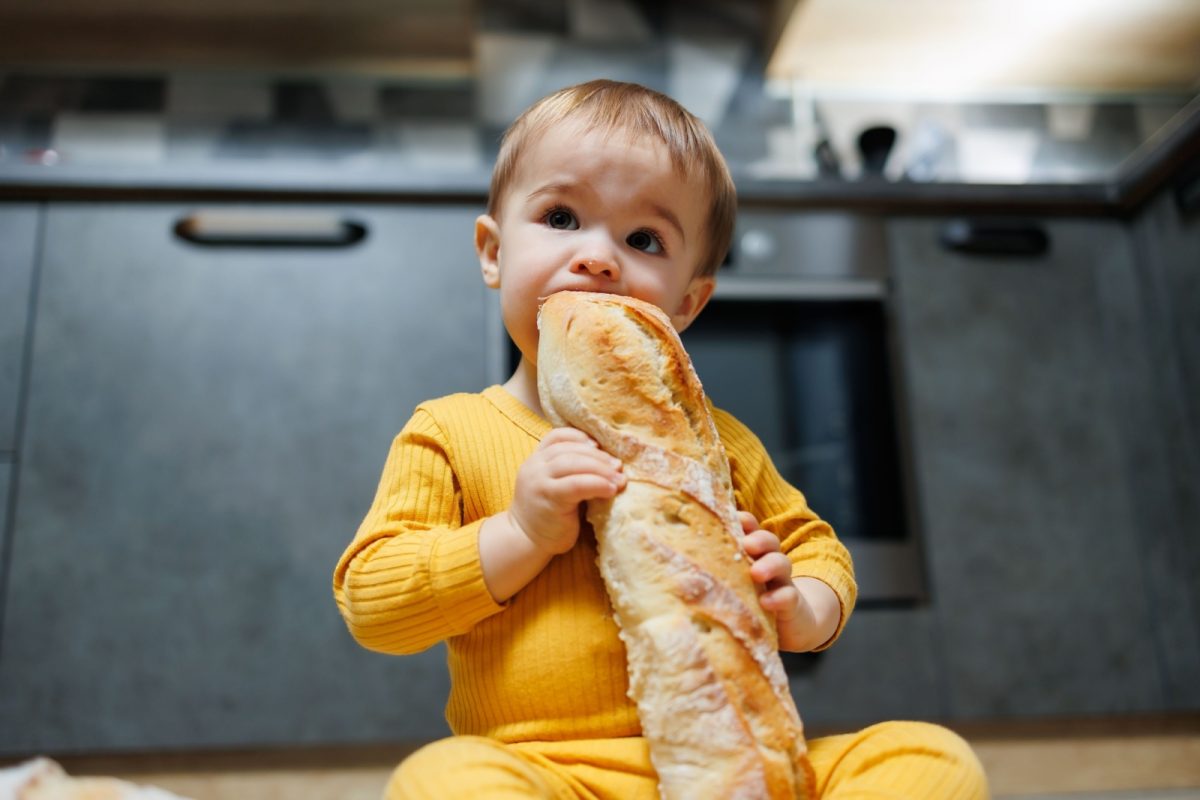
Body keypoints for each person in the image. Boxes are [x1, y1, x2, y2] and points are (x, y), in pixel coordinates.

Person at [333, 79, 988, 800]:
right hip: (556, 775)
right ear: (492, 252)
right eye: (560, 216)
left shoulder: (720, 444)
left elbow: (819, 549)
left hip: (742, 764)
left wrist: (800, 605)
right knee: (442, 782)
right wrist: (520, 532)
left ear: (686, 302)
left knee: (929, 759)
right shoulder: (452, 432)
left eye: (644, 239)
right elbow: (373, 605)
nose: (598, 258)